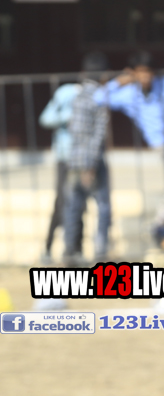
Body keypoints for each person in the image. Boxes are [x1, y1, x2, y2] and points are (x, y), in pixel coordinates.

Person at [98, 50, 164, 250]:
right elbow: (98, 98)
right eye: (140, 72)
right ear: (133, 72)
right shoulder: (128, 94)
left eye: (148, 72)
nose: (145, 77)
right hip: (162, 144)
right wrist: (119, 81)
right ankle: (158, 224)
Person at [62, 52, 114, 263]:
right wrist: (90, 164)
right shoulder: (99, 97)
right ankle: (100, 251)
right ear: (104, 75)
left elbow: (73, 129)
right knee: (103, 205)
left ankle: (69, 251)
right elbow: (99, 134)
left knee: (73, 207)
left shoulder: (77, 96)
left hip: (74, 159)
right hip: (92, 161)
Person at [38, 66, 88, 262]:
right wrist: (68, 116)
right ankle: (48, 248)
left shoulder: (94, 96)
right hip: (65, 156)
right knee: (61, 202)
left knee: (80, 203)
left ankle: (77, 250)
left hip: (83, 158)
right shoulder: (65, 93)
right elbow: (46, 118)